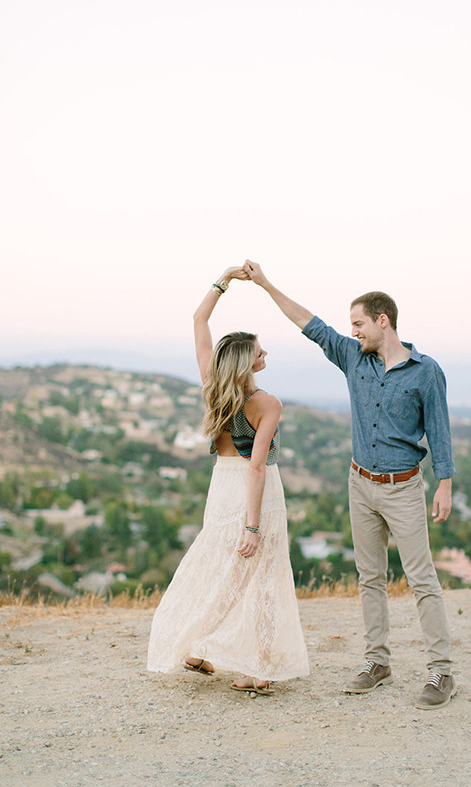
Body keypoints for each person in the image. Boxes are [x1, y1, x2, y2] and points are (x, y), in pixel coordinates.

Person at [243, 259, 457, 710]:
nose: (353, 331)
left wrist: (445, 483)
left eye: (359, 324)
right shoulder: (352, 358)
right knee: (369, 579)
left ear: (384, 321)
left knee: (421, 579)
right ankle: (376, 662)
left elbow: (439, 429)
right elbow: (309, 323)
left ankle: (441, 672)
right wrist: (265, 284)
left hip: (403, 487)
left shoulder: (426, 371)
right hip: (359, 483)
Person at [146, 266, 309, 694]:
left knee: (222, 571)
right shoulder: (266, 403)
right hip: (256, 492)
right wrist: (253, 526)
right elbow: (256, 467)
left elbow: (199, 322)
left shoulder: (212, 388)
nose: (265, 355)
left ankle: (195, 648)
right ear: (246, 360)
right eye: (259, 351)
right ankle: (262, 669)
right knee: (266, 575)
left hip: (221, 487)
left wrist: (224, 281)